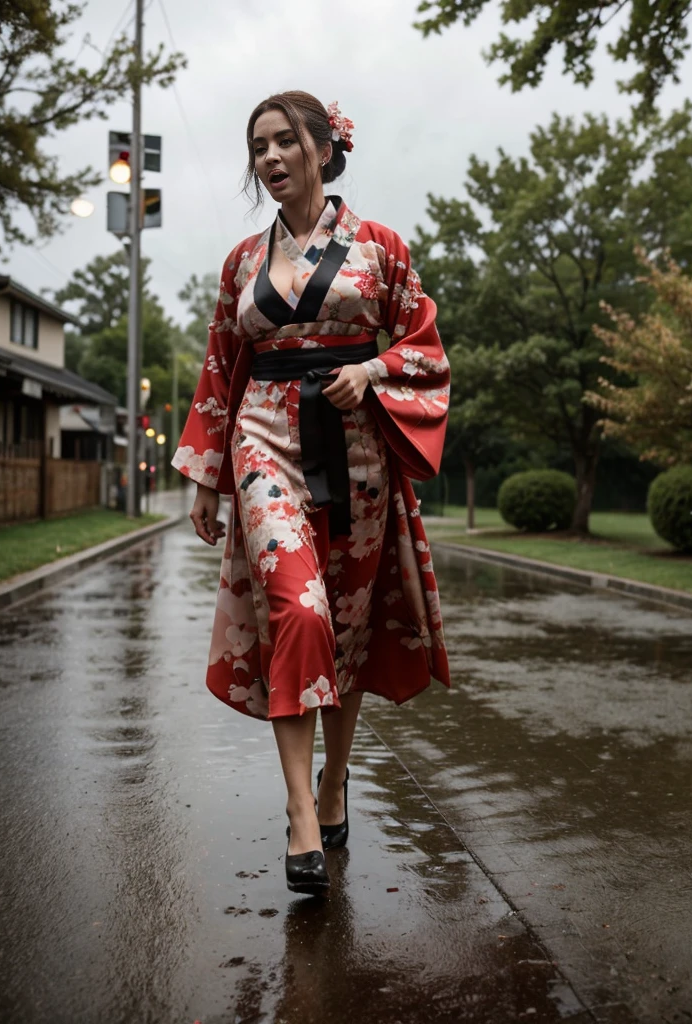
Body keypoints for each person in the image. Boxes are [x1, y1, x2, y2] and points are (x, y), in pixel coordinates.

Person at [172, 91, 451, 896]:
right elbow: (223, 364)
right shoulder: (240, 264)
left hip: (359, 452)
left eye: (283, 142)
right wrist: (209, 479)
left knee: (349, 631)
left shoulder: (382, 248)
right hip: (264, 442)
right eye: (257, 146)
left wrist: (371, 369)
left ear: (323, 151)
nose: (267, 158)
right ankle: (301, 810)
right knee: (298, 609)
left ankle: (334, 781)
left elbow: (425, 346)